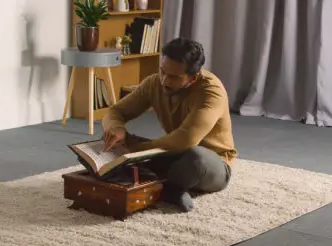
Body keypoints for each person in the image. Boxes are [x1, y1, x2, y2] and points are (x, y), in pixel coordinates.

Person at [101, 37, 238, 212]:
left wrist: (137, 150)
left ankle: (168, 187)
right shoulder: (154, 83)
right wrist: (117, 130)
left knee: (195, 158)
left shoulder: (211, 93)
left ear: (193, 78)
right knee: (111, 140)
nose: (165, 80)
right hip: (173, 153)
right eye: (162, 72)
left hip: (211, 164)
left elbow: (186, 140)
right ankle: (158, 181)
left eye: (174, 77)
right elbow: (114, 112)